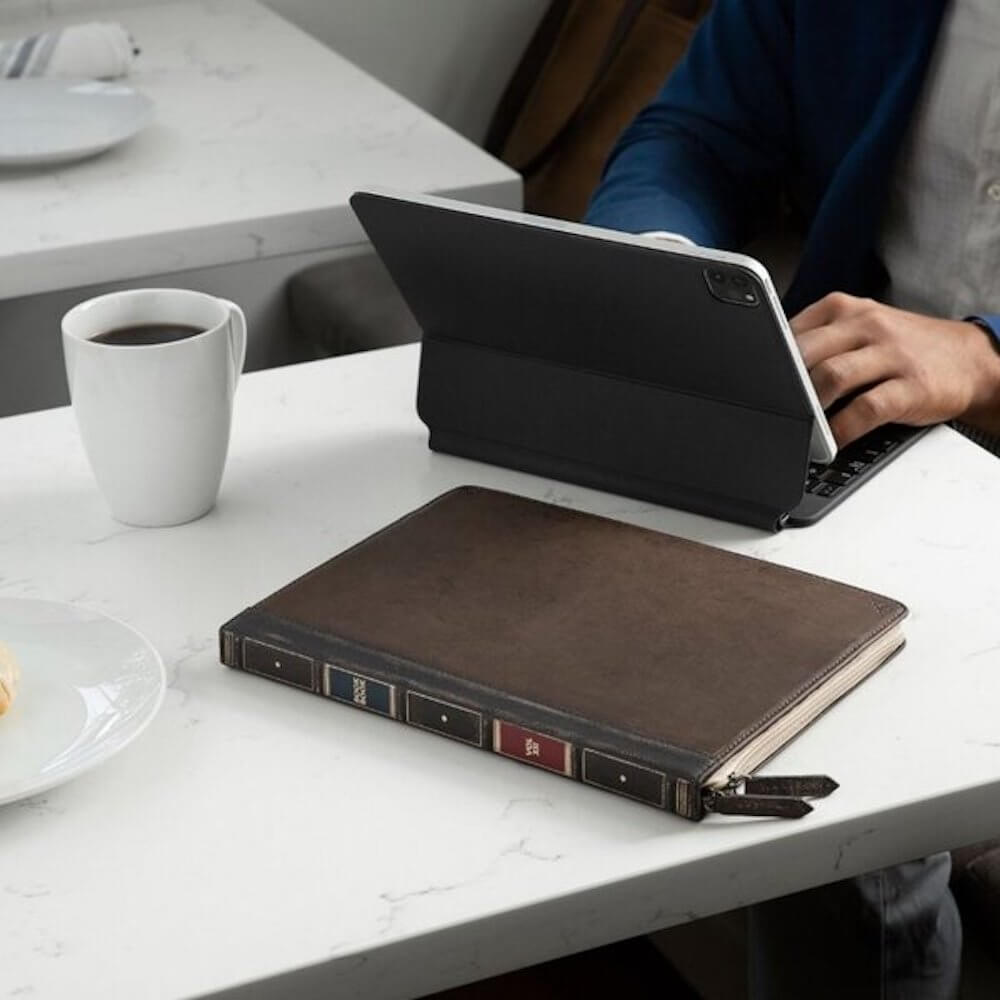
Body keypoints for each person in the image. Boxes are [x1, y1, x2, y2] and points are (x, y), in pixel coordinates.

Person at [584, 1, 1000, 997]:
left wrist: (987, 357)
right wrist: (659, 260)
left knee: (837, 757)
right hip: (864, 436)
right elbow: (697, 135)